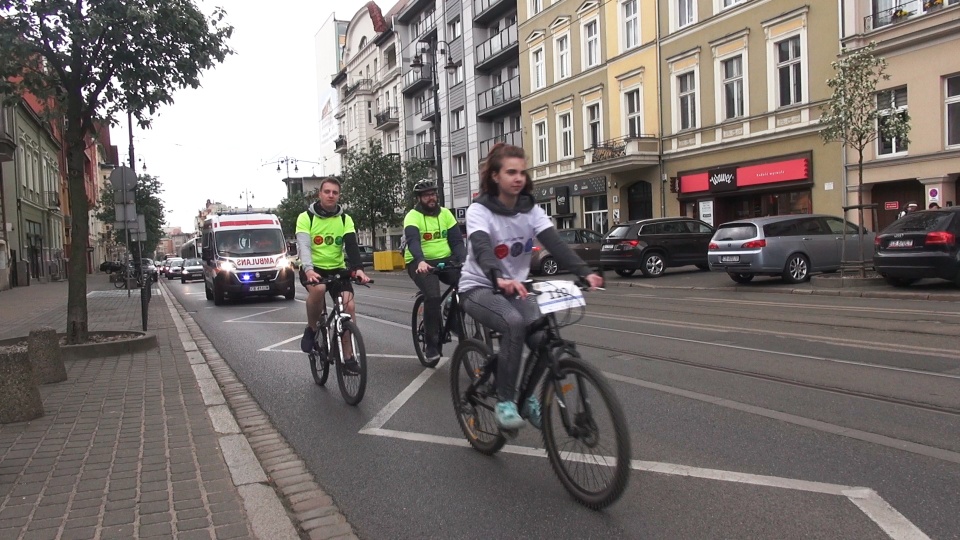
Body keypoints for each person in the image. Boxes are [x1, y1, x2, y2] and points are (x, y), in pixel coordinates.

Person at [459, 143, 603, 431]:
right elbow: (482, 247)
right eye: (511, 172)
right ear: (495, 176)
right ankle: (505, 401)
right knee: (513, 323)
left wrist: (585, 272)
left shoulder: (531, 210)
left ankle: (524, 397)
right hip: (479, 286)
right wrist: (498, 275)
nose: (518, 178)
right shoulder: (479, 210)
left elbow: (555, 244)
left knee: (543, 339)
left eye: (522, 172)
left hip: (518, 287)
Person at [296, 178, 371, 361]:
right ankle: (312, 328)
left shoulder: (345, 219)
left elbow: (352, 246)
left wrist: (358, 269)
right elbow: (304, 246)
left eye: (335, 192)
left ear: (339, 196)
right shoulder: (306, 217)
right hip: (314, 269)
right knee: (319, 290)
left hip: (337, 269)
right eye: (327, 192)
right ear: (320, 194)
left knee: (349, 305)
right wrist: (308, 269)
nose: (331, 195)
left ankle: (349, 356)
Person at [403, 180, 467, 362]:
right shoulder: (412, 216)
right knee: (432, 296)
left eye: (433, 194)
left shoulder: (446, 214)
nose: (431, 197)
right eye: (426, 195)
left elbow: (456, 241)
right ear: (419, 198)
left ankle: (453, 314)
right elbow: (413, 241)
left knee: (467, 284)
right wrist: (421, 261)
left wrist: (463, 260)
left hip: (445, 259)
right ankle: (431, 344)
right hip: (419, 262)